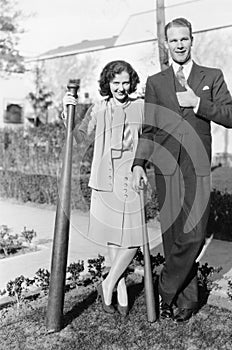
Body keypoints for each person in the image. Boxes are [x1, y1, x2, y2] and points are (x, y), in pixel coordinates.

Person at [132, 17, 232, 323]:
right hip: (165, 166)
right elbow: (149, 128)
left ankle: (163, 288)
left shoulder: (211, 76)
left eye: (184, 39)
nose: (179, 45)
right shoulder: (156, 82)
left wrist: (199, 104)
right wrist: (139, 164)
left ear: (192, 40)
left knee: (193, 234)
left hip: (198, 166)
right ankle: (184, 301)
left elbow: (231, 116)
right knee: (172, 233)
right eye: (173, 40)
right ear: (166, 44)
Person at [62, 60, 144, 316]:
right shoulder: (99, 108)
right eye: (115, 82)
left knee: (133, 240)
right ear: (107, 84)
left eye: (125, 82)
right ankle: (119, 291)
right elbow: (78, 138)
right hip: (105, 178)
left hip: (130, 178)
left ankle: (106, 284)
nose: (120, 88)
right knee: (113, 237)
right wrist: (67, 114)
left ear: (132, 83)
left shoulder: (141, 107)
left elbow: (152, 138)